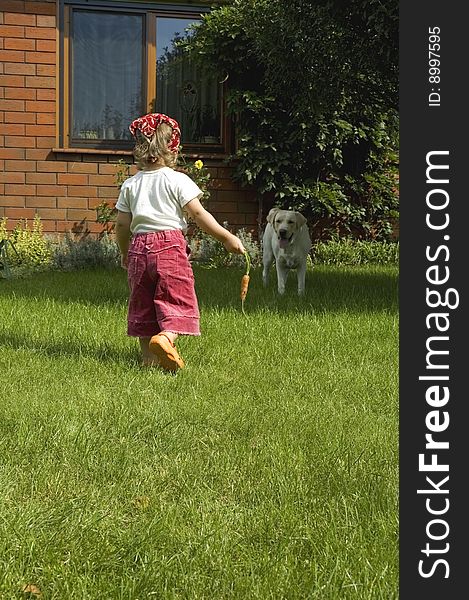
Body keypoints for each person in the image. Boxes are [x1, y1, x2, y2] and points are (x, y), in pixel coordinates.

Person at [115, 112, 245, 371]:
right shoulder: (177, 180)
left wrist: (123, 252)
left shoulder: (130, 184)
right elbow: (198, 214)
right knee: (176, 298)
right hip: (170, 247)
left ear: (139, 147)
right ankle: (166, 337)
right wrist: (226, 237)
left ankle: (148, 361)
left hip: (139, 248)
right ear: (173, 147)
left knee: (143, 302)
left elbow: (121, 225)